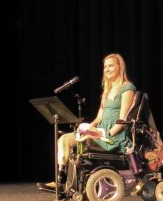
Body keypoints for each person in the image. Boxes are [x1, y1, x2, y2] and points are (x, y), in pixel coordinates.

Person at [37, 53, 136, 191]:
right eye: (105, 66)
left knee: (86, 139)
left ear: (120, 67)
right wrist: (89, 128)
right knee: (65, 139)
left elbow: (123, 120)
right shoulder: (107, 89)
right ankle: (60, 180)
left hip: (114, 137)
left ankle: (68, 185)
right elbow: (99, 116)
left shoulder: (127, 88)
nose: (106, 69)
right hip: (101, 132)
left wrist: (104, 134)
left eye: (111, 66)